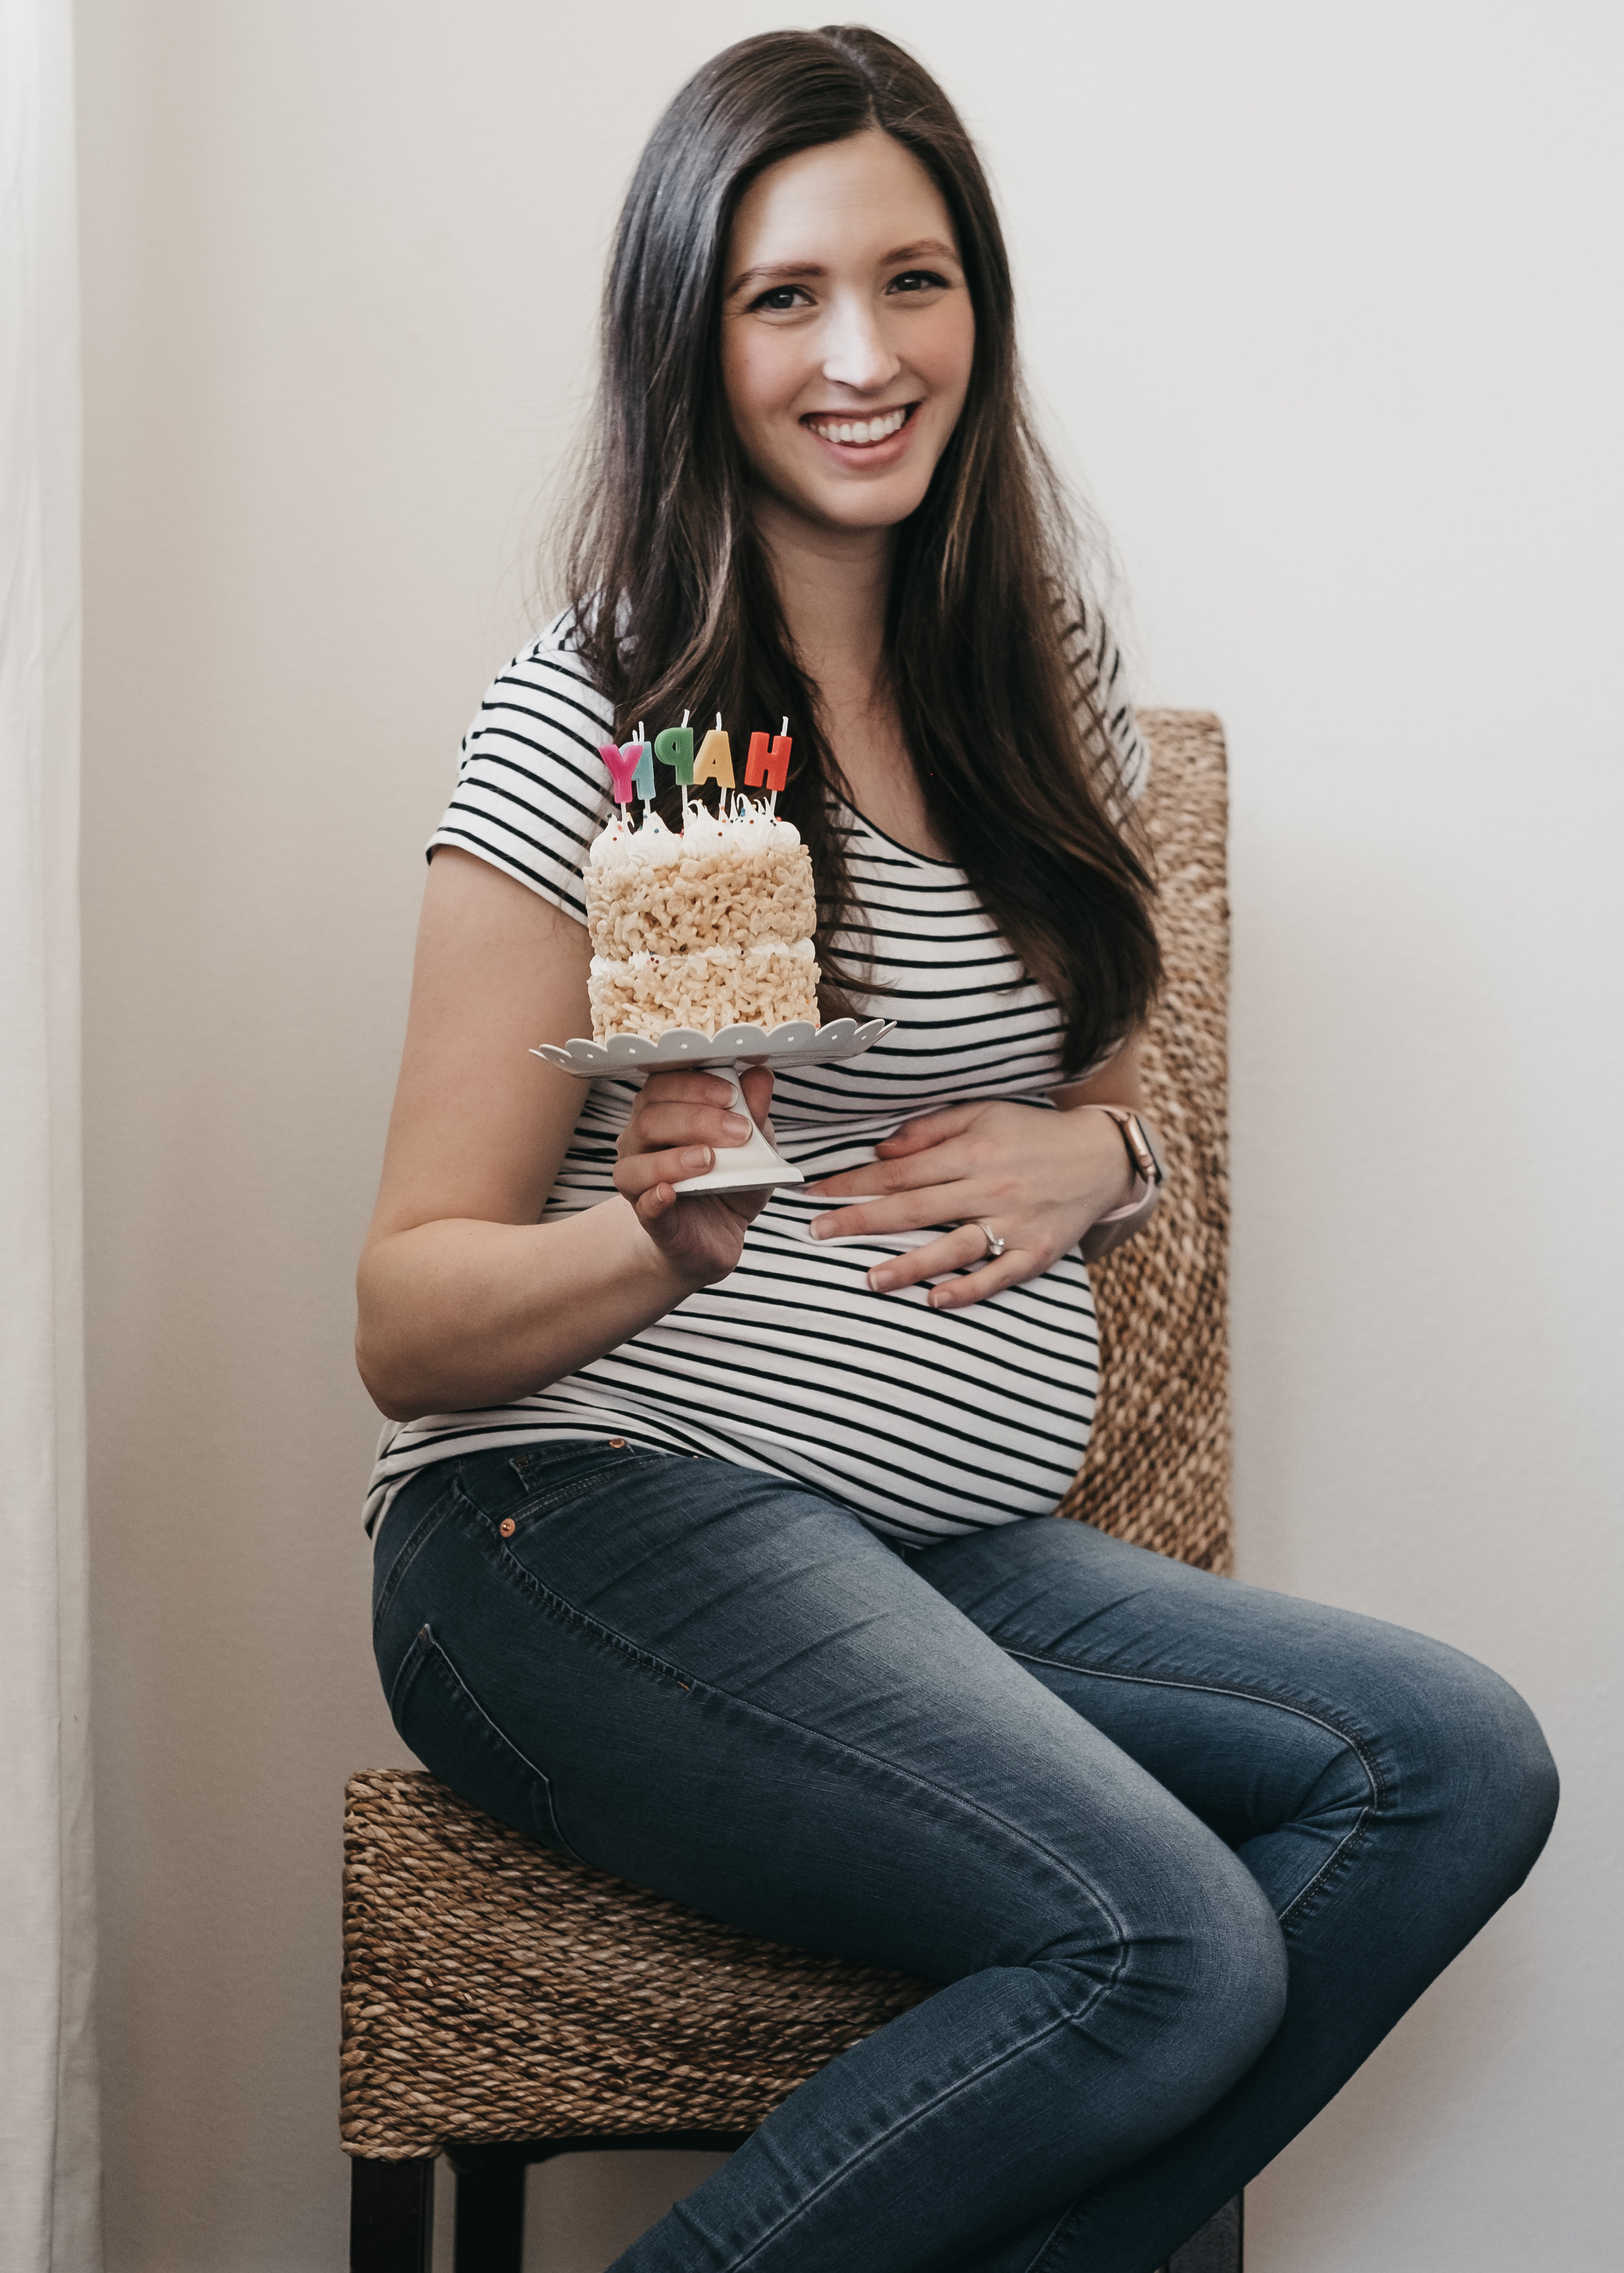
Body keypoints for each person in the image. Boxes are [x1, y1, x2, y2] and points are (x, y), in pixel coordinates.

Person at [356, 27, 1556, 2272]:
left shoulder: (1035, 672)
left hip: (945, 1552)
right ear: (688, 340)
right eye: (782, 296)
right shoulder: (598, 711)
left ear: (977, 305)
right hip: (572, 1524)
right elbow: (403, 1314)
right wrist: (655, 1241)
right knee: (1169, 1944)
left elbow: (1115, 1091)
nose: (860, 355)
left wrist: (1110, 1170)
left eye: (911, 281)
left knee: (1454, 1761)